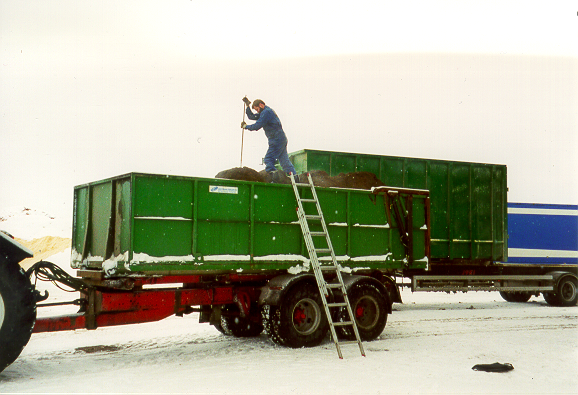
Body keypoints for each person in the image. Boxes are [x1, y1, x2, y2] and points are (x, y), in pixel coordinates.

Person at [241, 98, 298, 180]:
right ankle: (295, 179)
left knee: (268, 159)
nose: (257, 111)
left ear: (261, 105)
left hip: (276, 139)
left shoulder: (266, 112)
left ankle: (275, 179)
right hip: (280, 139)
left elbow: (257, 126)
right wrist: (247, 106)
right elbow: (251, 116)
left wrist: (246, 127)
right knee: (285, 162)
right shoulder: (265, 112)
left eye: (257, 109)